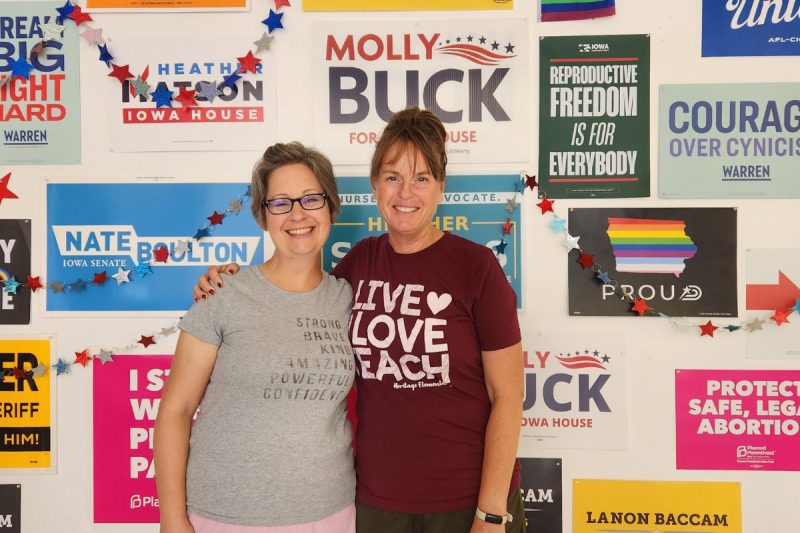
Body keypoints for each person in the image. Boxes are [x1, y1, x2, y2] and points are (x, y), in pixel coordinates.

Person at [195, 108, 524, 533]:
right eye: (393, 177)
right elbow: (295, 295)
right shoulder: (358, 264)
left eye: (422, 178)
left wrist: (491, 512)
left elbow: (508, 396)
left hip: (468, 502)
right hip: (375, 502)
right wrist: (224, 281)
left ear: (441, 187)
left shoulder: (476, 267)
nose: (406, 192)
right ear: (374, 184)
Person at [154, 142, 357, 533]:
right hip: (224, 517)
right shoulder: (224, 293)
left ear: (331, 207)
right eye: (280, 203)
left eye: (311, 199)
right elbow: (176, 409)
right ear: (263, 216)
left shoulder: (347, 297)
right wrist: (171, 519)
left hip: (330, 514)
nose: (297, 214)